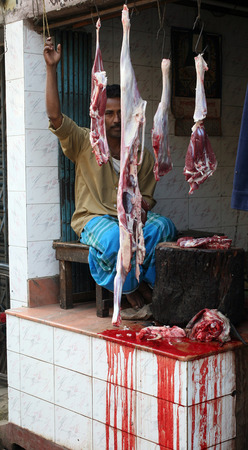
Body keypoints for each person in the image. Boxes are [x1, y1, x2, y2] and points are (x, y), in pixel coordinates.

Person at [44, 37, 177, 309]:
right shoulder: (85, 140)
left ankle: (138, 283)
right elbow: (55, 117)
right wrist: (50, 69)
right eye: (110, 113)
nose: (116, 119)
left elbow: (148, 199)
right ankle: (130, 289)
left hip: (130, 221)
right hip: (94, 219)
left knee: (164, 227)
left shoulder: (140, 154)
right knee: (117, 239)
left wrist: (140, 212)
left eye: (121, 113)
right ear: (100, 114)